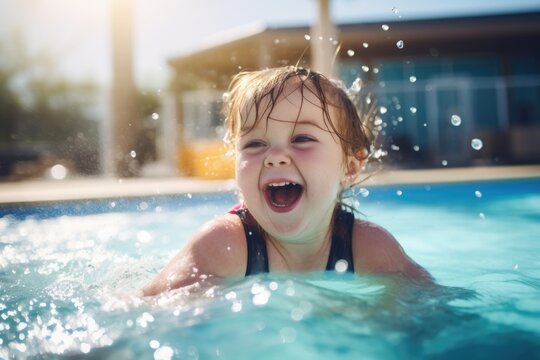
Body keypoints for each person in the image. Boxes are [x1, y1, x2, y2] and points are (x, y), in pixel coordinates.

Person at [142, 66, 431, 296]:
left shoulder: (369, 247)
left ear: (350, 167)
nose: (275, 157)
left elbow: (433, 309)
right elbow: (151, 311)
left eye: (302, 138)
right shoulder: (223, 246)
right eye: (255, 144)